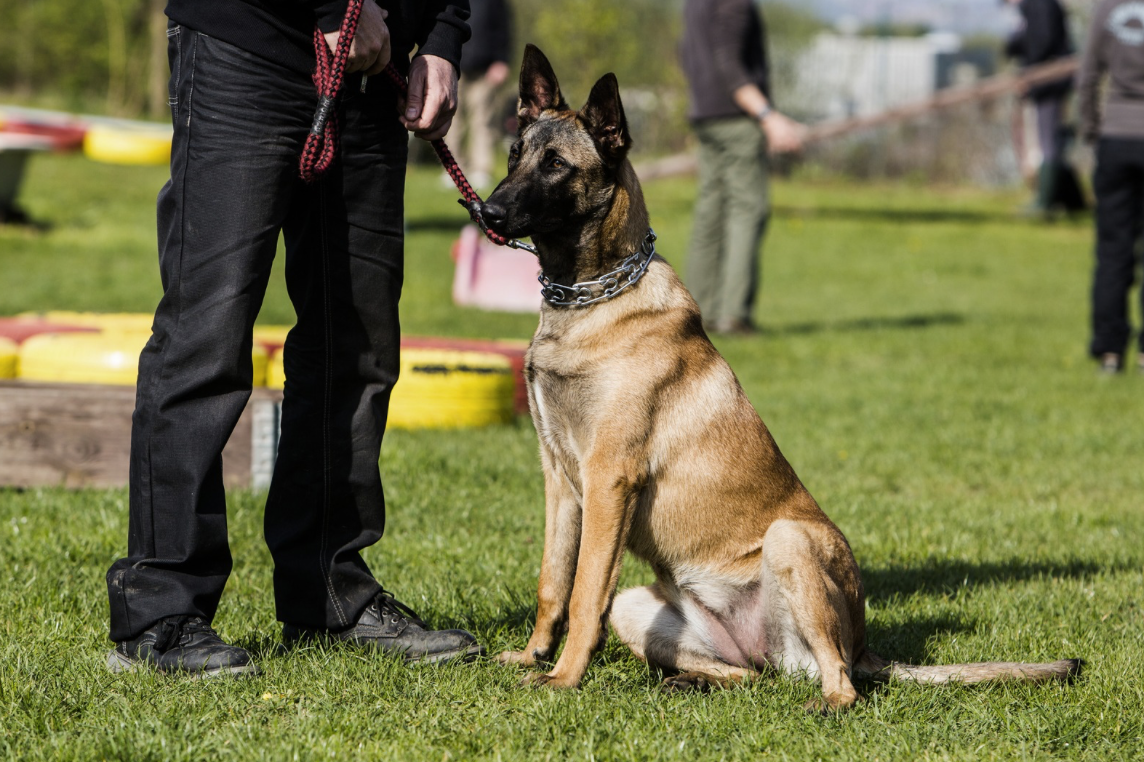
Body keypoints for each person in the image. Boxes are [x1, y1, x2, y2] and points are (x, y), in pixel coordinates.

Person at [104, 0, 482, 677]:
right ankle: (159, 610)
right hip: (248, 44)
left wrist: (444, 37)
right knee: (206, 335)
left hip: (376, 65)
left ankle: (329, 591)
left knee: (357, 346)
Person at [680, 0, 805, 336]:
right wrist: (768, 116)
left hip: (705, 113)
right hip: (737, 117)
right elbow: (730, 64)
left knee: (712, 212)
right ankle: (734, 316)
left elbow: (687, 52)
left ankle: (695, 313)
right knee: (748, 209)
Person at [1075, 0, 1144, 374]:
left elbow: (1087, 76)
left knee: (1113, 251)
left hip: (1116, 138)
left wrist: (1092, 131)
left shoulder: (1106, 9)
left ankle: (1110, 353)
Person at [1004, 0, 1080, 216]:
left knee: (1049, 142)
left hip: (1049, 80)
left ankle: (1045, 202)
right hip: (1048, 81)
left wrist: (1026, 73)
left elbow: (1041, 41)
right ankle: (1066, 200)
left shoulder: (1040, 4)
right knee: (1049, 140)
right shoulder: (1039, 5)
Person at [452, 0, 512, 190]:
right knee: (452, 119)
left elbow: (504, 28)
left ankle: (481, 169)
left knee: (483, 121)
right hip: (453, 65)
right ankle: (454, 169)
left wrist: (502, 60)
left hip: (486, 69)